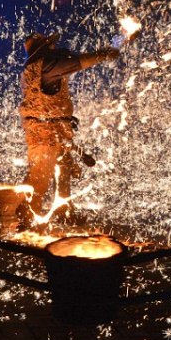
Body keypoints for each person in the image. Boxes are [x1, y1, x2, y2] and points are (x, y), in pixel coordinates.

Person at [19, 33, 119, 214]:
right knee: (39, 178)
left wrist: (63, 117)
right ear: (44, 49)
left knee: (64, 171)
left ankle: (64, 210)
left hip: (53, 131)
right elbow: (78, 62)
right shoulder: (46, 65)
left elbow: (47, 102)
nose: (55, 47)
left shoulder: (37, 67)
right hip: (45, 135)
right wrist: (103, 54)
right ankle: (25, 216)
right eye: (51, 45)